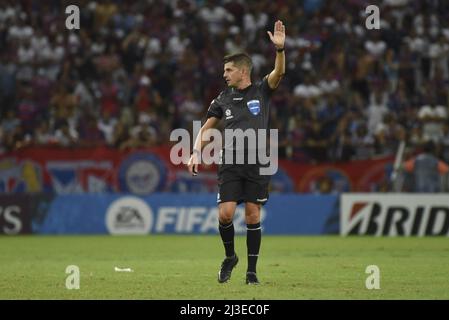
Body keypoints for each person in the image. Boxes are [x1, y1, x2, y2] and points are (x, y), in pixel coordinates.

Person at [187, 20, 285, 284]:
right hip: (229, 161)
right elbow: (208, 128)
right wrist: (196, 151)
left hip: (256, 163)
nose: (225, 74)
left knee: (253, 215)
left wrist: (280, 50)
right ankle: (230, 257)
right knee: (225, 213)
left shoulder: (262, 90)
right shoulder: (222, 99)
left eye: (229, 70)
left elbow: (279, 73)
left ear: (243, 71)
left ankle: (252, 272)